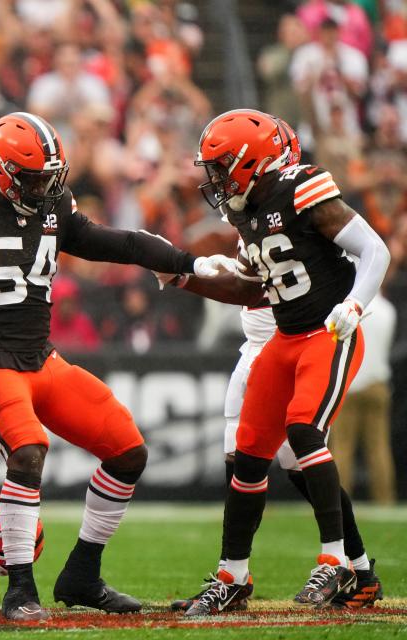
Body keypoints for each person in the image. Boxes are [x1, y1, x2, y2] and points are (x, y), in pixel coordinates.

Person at [0, 111, 239, 620]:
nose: (44, 187)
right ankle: (20, 588)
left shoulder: (53, 206)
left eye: (49, 177)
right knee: (29, 452)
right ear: (0, 172)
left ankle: (82, 573)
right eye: (33, 177)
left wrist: (187, 262)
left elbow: (119, 243)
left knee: (128, 451)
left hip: (43, 360)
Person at [167, 109, 389, 615]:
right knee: (248, 454)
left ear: (251, 159)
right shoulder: (243, 210)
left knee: (303, 431)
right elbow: (253, 288)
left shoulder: (299, 185)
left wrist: (353, 305)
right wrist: (185, 273)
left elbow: (373, 249)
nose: (215, 179)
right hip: (284, 339)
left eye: (222, 166)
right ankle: (233, 575)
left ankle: (338, 563)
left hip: (327, 334)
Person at [331, 294, 397, 505]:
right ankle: (385, 501)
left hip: (349, 382)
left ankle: (338, 503)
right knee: (379, 448)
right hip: (377, 384)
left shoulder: (344, 309)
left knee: (342, 447)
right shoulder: (388, 309)